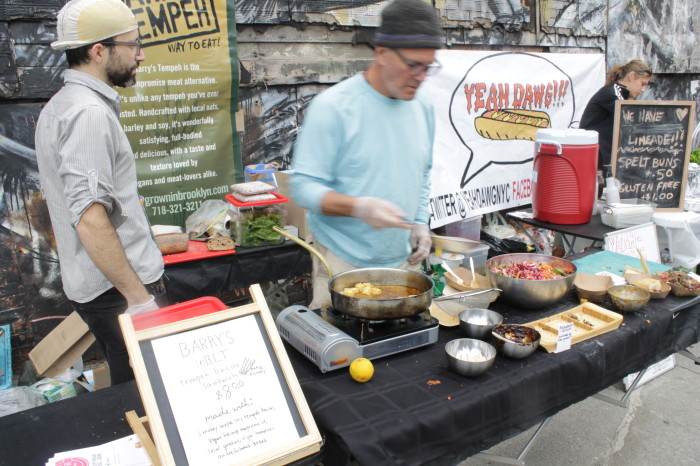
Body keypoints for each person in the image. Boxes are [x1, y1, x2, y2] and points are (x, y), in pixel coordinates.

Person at [34, 0, 167, 385]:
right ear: (98, 51)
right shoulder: (87, 113)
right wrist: (140, 301)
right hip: (119, 290)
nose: (140, 56)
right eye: (133, 45)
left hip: (103, 286)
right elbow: (91, 219)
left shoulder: (62, 106)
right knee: (148, 389)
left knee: (131, 382)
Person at [290, 0, 441, 309]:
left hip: (405, 266)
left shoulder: (424, 108)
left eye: (428, 66)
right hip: (343, 263)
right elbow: (302, 188)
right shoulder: (334, 107)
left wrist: (420, 222)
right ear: (382, 52)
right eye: (413, 64)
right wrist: (358, 207)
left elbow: (422, 173)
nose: (420, 76)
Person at [580, 60, 653, 170]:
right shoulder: (613, 93)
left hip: (603, 157)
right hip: (595, 157)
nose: (643, 90)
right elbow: (630, 115)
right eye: (642, 84)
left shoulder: (619, 94)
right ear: (631, 76)